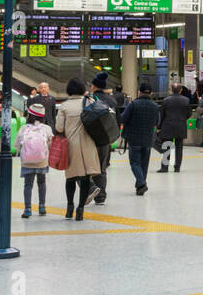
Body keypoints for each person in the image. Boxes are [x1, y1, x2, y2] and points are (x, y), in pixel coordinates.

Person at [56, 78, 101, 221]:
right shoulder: (90, 102)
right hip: (88, 144)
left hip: (71, 146)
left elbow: (59, 128)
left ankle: (70, 207)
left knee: (70, 177)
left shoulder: (64, 106)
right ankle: (80, 208)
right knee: (86, 177)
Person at [120, 82, 160, 195]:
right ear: (151, 93)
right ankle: (140, 187)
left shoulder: (133, 104)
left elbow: (123, 119)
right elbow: (157, 122)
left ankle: (141, 183)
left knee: (135, 163)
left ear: (139, 92)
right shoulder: (155, 106)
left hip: (134, 138)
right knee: (144, 164)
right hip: (148, 138)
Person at [17, 103, 53, 218]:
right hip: (42, 161)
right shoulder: (46, 128)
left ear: (29, 115)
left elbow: (17, 145)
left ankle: (27, 209)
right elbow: (50, 144)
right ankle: (42, 207)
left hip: (27, 162)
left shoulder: (24, 128)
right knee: (41, 182)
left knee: (28, 184)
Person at [89, 72, 115, 203]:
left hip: (92, 138)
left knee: (89, 167)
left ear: (94, 86)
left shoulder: (90, 99)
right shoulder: (111, 100)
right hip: (106, 138)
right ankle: (101, 196)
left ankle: (92, 190)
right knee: (102, 168)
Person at [156, 83, 190, 173]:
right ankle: (177, 167)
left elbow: (162, 115)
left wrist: (159, 126)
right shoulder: (186, 100)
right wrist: (182, 119)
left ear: (171, 90)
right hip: (181, 126)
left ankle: (164, 167)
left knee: (166, 146)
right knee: (179, 147)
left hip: (167, 126)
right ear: (181, 90)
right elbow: (189, 113)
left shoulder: (166, 100)